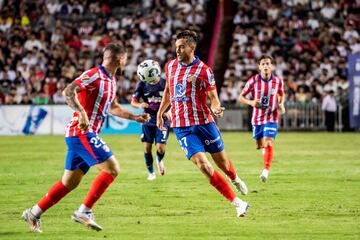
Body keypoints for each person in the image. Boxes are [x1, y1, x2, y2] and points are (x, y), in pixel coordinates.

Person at [22, 43, 150, 233]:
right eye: (125, 59)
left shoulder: (111, 81)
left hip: (83, 135)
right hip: (81, 132)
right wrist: (82, 113)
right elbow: (68, 91)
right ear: (120, 59)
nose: (125, 62)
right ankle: (84, 211)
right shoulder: (94, 75)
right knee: (112, 168)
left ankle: (33, 213)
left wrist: (134, 117)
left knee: (69, 183)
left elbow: (113, 107)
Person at [156, 30, 249, 218]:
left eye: (182, 47)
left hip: (204, 123)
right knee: (204, 165)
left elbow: (213, 98)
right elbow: (168, 92)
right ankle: (238, 203)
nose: (178, 50)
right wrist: (160, 112)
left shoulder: (204, 70)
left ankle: (234, 178)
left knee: (223, 164)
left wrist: (216, 108)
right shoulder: (170, 67)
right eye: (176, 47)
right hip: (182, 127)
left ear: (192, 47)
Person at [238, 55, 286, 182]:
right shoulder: (253, 81)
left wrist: (281, 104)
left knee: (269, 142)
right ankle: (263, 148)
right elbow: (241, 97)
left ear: (272, 66)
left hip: (271, 116)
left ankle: (266, 170)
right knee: (259, 146)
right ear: (259, 67)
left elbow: (281, 93)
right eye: (263, 64)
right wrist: (252, 102)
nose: (265, 66)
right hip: (257, 119)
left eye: (268, 63)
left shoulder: (278, 81)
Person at [131, 64, 170, 181]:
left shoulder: (165, 83)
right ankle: (151, 172)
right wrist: (139, 105)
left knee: (160, 148)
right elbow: (133, 102)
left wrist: (168, 112)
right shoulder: (142, 85)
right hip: (147, 119)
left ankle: (159, 160)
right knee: (147, 147)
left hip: (163, 119)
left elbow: (173, 100)